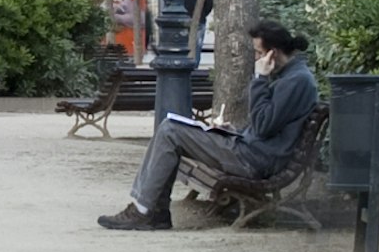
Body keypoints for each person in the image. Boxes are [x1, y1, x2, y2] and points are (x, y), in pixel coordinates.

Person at [98, 17, 324, 233]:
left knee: (170, 131)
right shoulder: (291, 76)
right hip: (251, 152)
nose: (256, 58)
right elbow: (269, 126)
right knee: (171, 128)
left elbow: (264, 125)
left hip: (254, 161)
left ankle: (144, 210)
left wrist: (260, 79)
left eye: (258, 52)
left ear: (272, 53)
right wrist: (232, 131)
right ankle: (154, 210)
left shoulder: (296, 81)